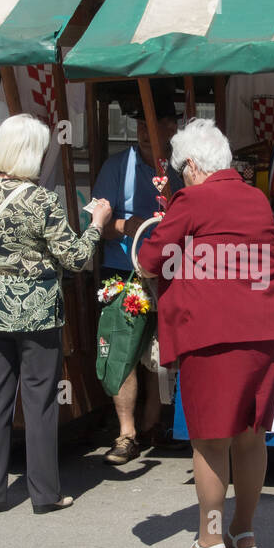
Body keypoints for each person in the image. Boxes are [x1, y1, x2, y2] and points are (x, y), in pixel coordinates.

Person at [137, 119, 274, 548]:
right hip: (268, 328)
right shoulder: (256, 197)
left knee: (209, 442)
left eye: (180, 167)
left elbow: (152, 258)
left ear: (191, 165)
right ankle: (243, 531)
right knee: (250, 435)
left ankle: (209, 541)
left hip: (215, 334)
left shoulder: (193, 198)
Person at [0, 113, 111, 515]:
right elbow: (76, 258)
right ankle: (44, 493)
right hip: (37, 313)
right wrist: (96, 223)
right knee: (40, 402)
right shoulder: (42, 200)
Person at [92, 88, 183, 465]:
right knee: (124, 350)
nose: (145, 132)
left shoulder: (182, 169)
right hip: (124, 271)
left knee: (160, 352)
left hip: (172, 272)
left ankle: (153, 423)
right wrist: (126, 225)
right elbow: (95, 220)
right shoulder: (117, 166)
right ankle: (127, 433)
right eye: (140, 124)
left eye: (154, 124)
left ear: (171, 126)